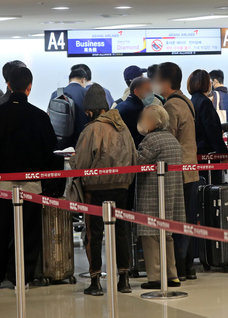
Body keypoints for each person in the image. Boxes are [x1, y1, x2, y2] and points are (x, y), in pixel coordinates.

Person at [0, 67, 63, 289]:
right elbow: (51, 152)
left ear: (8, 85)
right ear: (29, 88)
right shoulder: (40, 116)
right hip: (31, 185)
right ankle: (21, 278)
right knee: (28, 232)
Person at [70, 84, 136, 295]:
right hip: (122, 187)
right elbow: (135, 158)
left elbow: (81, 163)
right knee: (121, 232)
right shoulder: (123, 128)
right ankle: (124, 279)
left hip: (96, 189)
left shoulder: (91, 130)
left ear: (91, 109)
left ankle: (95, 281)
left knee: (94, 234)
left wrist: (73, 161)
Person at [153, 62, 199, 281]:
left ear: (164, 82)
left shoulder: (171, 106)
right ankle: (188, 267)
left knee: (177, 221)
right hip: (191, 169)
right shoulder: (186, 101)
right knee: (188, 221)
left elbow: (166, 140)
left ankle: (178, 268)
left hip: (178, 172)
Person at [135, 105, 185, 289]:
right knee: (167, 236)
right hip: (171, 195)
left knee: (151, 236)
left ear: (153, 122)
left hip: (153, 194)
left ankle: (155, 277)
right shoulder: (172, 139)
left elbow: (138, 161)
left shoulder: (151, 140)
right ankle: (172, 275)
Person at [189, 69, 228, 184]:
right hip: (208, 154)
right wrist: (223, 153)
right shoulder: (204, 102)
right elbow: (212, 130)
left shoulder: (192, 101)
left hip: (197, 151)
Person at [50, 68, 89, 147]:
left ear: (69, 81)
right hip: (81, 144)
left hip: (60, 144)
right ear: (83, 80)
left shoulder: (56, 94)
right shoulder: (88, 93)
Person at [115, 77, 155, 148]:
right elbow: (141, 139)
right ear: (136, 91)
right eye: (148, 90)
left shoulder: (120, 105)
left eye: (151, 91)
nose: (151, 94)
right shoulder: (137, 110)